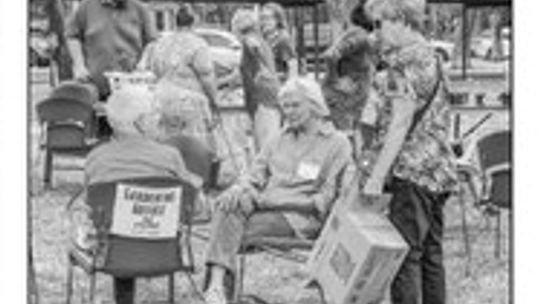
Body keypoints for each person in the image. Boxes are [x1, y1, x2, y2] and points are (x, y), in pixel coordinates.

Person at [203, 76, 353, 304]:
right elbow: (254, 176)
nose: (289, 112)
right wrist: (238, 188)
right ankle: (216, 290)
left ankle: (216, 291)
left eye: (295, 105)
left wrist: (272, 201)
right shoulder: (278, 138)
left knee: (226, 230)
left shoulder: (337, 143)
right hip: (262, 206)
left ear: (313, 105)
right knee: (227, 204)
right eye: (285, 107)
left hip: (299, 218)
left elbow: (324, 201)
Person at [362, 1, 459, 304]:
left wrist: (376, 176)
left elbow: (399, 123)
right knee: (432, 256)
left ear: (401, 19)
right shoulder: (435, 58)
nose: (377, 33)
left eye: (380, 23)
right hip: (439, 169)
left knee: (406, 258)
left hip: (411, 172)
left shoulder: (401, 64)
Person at [84, 86, 202, 304]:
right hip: (163, 251)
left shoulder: (96, 158)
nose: (159, 120)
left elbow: (90, 209)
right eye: (155, 115)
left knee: (111, 227)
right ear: (141, 122)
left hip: (111, 254)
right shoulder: (170, 156)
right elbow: (195, 209)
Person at [137, 3, 219, 148]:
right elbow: (206, 77)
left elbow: (153, 70)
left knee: (168, 144)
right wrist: (214, 102)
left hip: (161, 99)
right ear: (195, 21)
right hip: (189, 102)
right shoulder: (198, 44)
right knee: (193, 148)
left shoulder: (161, 43)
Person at [65, 0, 157, 101]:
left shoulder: (140, 9)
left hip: (131, 88)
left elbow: (152, 42)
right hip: (94, 87)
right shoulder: (86, 7)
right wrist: (79, 66)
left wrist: (143, 63)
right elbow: (72, 36)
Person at [228, 8, 282, 151]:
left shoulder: (250, 40)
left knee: (266, 149)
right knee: (265, 146)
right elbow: (243, 73)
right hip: (266, 99)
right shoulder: (258, 41)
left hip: (264, 100)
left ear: (237, 27)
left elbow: (254, 48)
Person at [260, 2, 298, 81]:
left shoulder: (282, 38)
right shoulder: (263, 37)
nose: (265, 21)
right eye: (262, 18)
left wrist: (291, 87)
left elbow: (292, 64)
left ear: (277, 19)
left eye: (268, 18)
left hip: (279, 84)